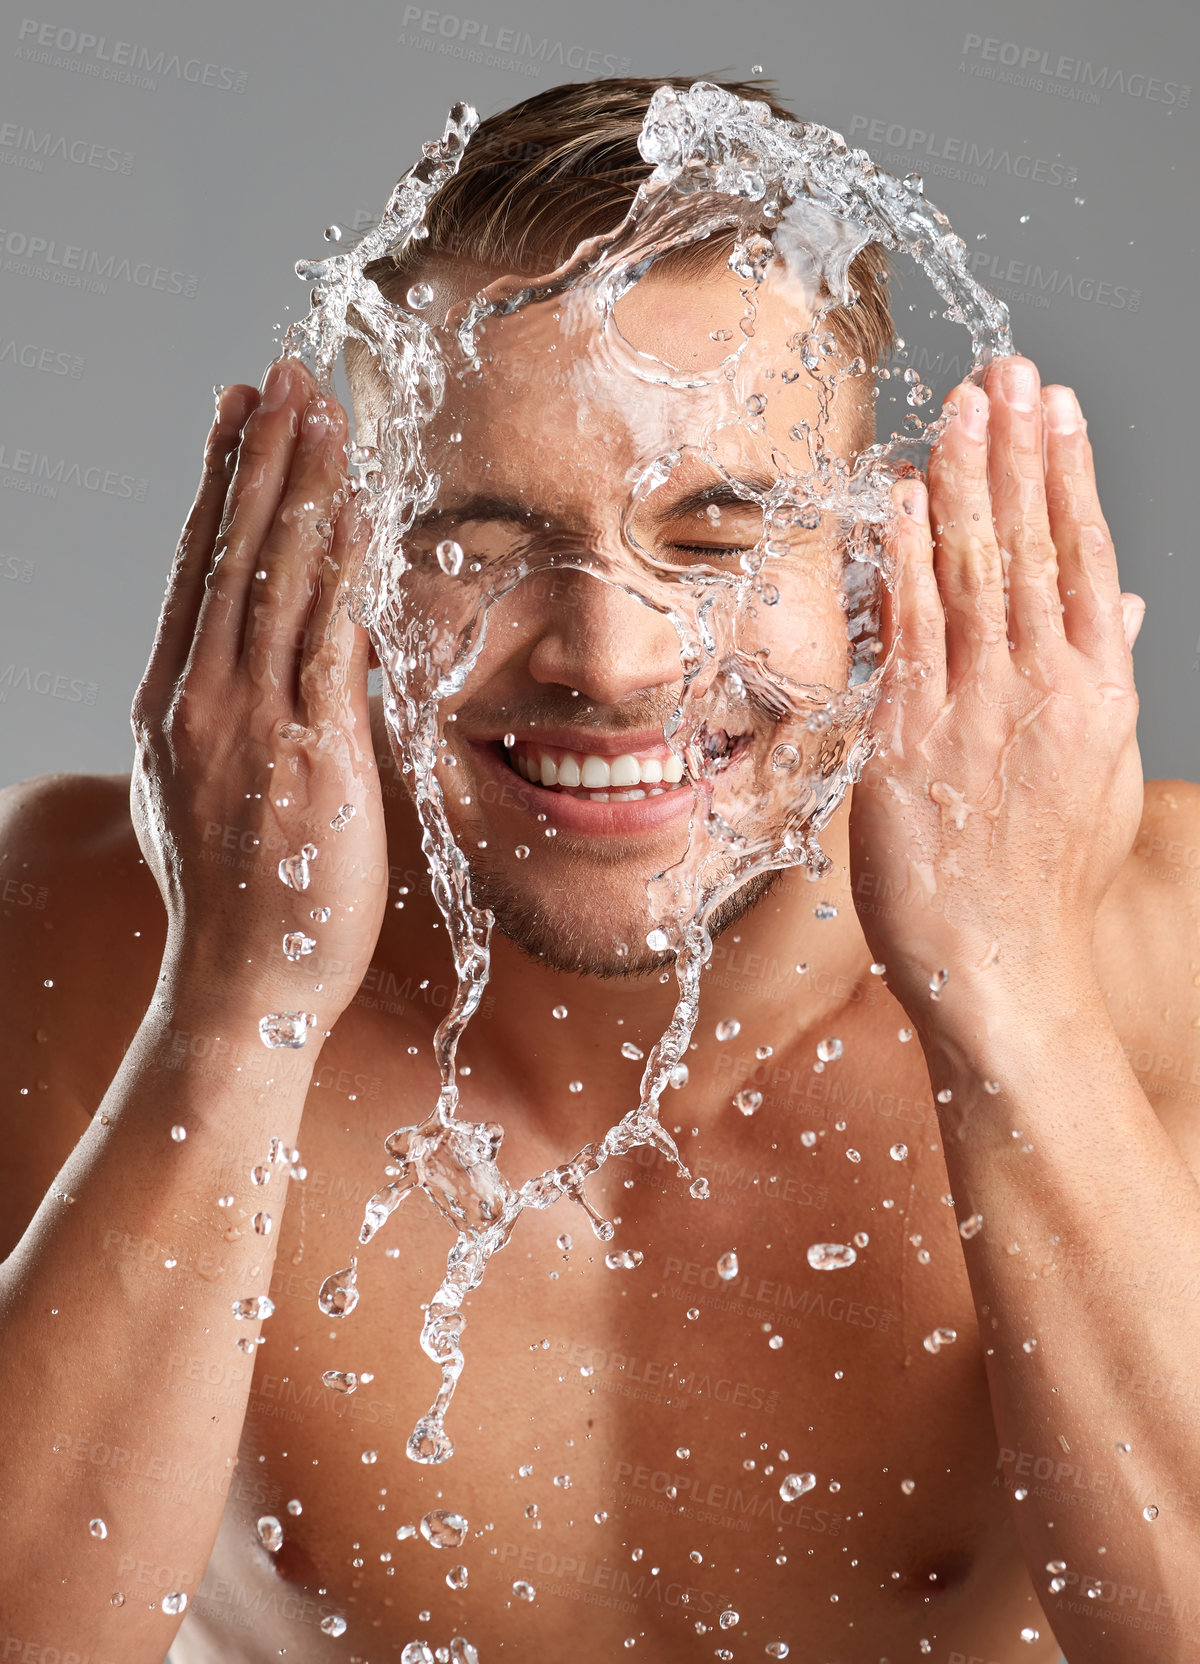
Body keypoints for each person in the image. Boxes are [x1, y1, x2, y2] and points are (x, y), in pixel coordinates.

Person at [1, 76, 1197, 1664]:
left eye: (718, 537)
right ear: (347, 563)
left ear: (879, 557)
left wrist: (1014, 992)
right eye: (479, 543)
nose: (613, 663)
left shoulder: (1164, 956)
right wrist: (237, 1008)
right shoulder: (78, 940)